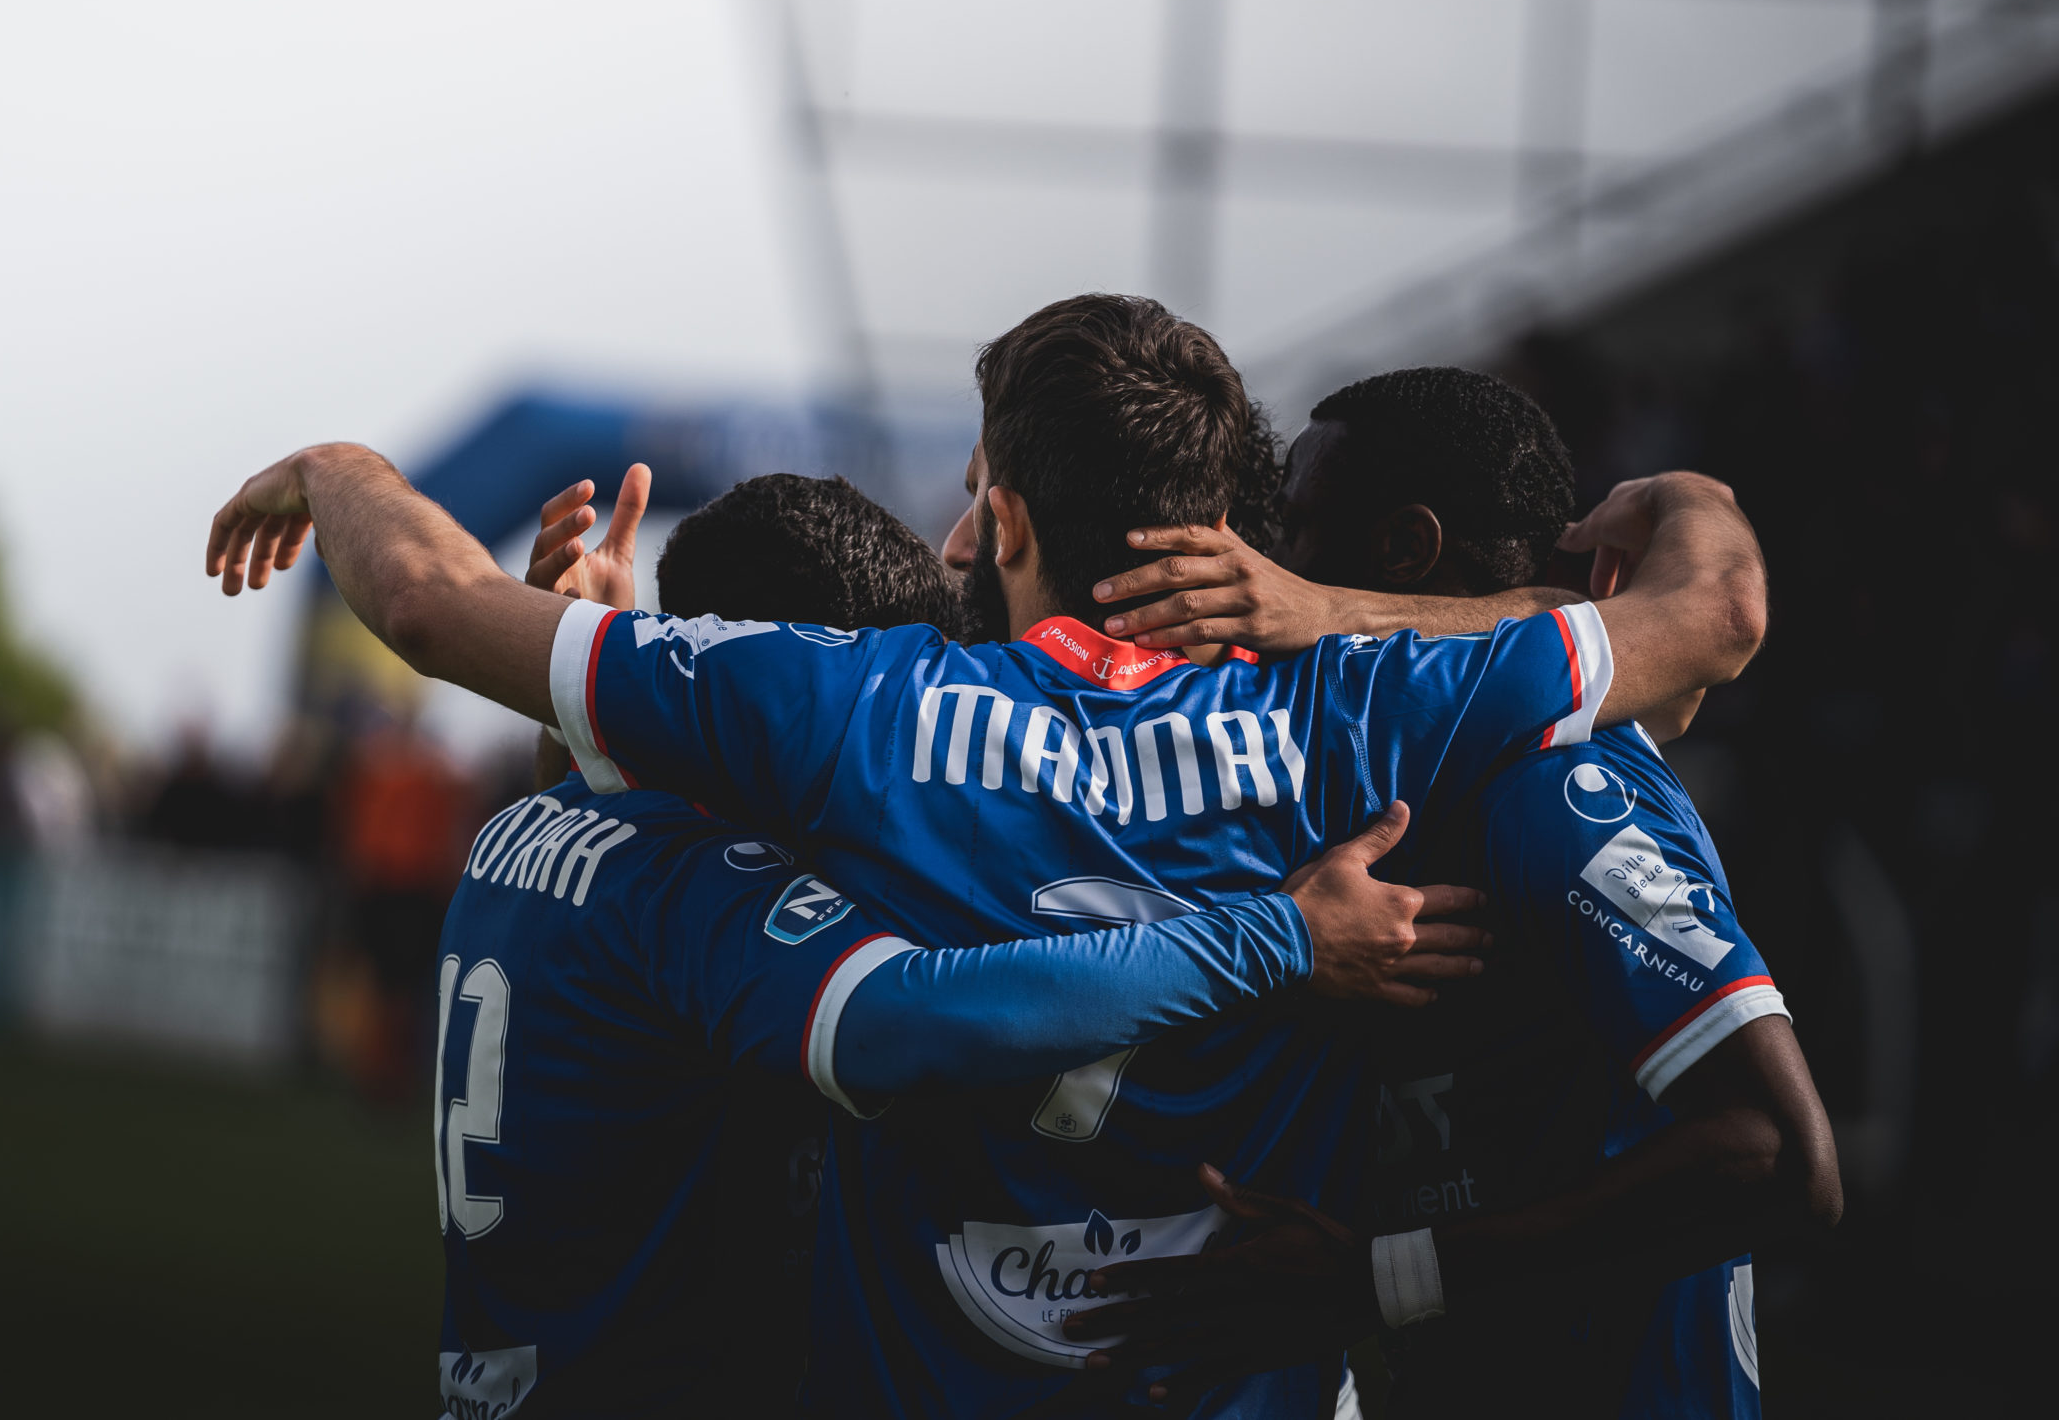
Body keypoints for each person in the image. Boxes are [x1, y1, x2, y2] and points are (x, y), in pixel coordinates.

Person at [202, 293, 1767, 1415]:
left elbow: (427, 603)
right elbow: (1708, 621)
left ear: (1009, 520)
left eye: (970, 502)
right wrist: (1681, 488)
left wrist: (341, 469)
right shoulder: (1369, 707)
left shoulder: (856, 710)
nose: (953, 537)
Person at [428, 471, 1486, 1417]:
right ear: (767, 713)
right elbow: (912, 1017)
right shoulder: (706, 892)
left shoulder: (532, 832)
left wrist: (579, 711)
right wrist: (1281, 936)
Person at [1069, 369, 1838, 1416]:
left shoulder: (1552, 788)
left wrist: (1377, 1279)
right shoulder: (1406, 770)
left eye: (1292, 524)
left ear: (1402, 549)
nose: (1264, 563)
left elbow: (1776, 1153)